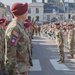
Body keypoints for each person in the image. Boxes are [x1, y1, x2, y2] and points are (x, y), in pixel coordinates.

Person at [4, 2, 30, 75]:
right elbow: (10, 53)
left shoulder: (19, 26)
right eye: (25, 11)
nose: (26, 12)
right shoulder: (14, 28)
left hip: (22, 67)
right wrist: (15, 71)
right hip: (17, 69)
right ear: (21, 13)